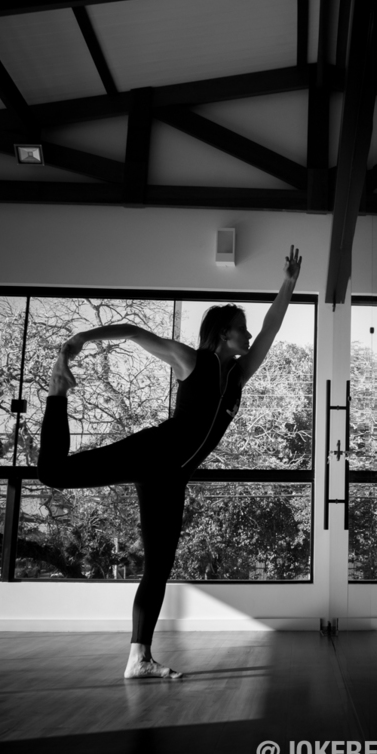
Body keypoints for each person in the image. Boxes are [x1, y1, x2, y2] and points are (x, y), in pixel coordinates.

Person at [39, 246, 303, 679]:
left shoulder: (238, 376)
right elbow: (133, 330)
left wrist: (289, 283)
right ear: (222, 334)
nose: (250, 336)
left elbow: (272, 330)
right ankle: (56, 392)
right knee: (53, 473)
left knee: (158, 567)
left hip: (174, 478)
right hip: (152, 452)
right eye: (242, 330)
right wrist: (85, 338)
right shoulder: (190, 361)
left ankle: (138, 658)